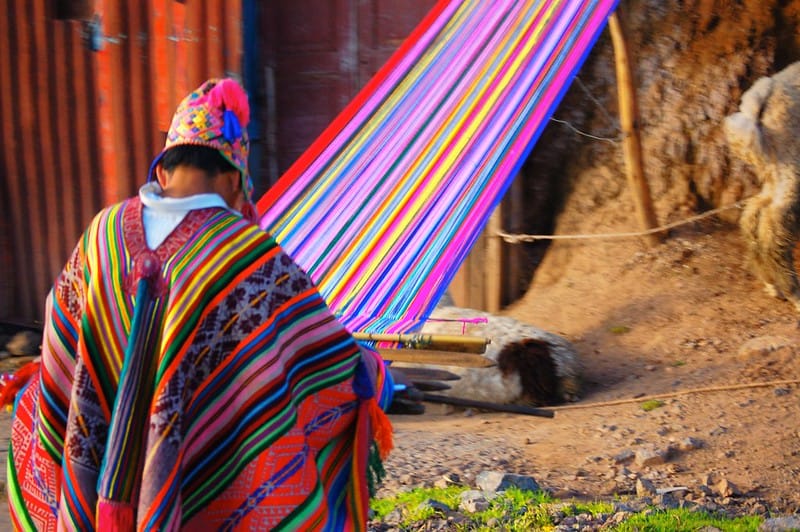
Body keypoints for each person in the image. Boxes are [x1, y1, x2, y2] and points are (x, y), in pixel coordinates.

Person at [4, 78, 400, 531]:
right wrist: (375, 373)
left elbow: (62, 343)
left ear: (163, 171)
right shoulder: (245, 253)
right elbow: (320, 358)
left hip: (93, 477)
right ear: (234, 179)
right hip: (196, 475)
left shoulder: (104, 233)